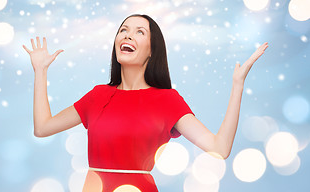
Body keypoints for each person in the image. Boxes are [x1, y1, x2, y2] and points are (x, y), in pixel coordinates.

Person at [22, 14, 268, 192]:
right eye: (124, 29)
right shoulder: (97, 96)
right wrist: (40, 71)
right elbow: (43, 128)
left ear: (152, 50)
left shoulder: (166, 100)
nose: (128, 34)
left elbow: (220, 148)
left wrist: (237, 85)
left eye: (140, 31)